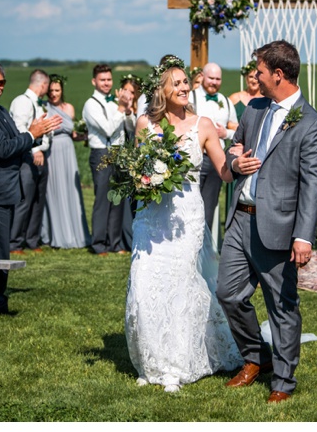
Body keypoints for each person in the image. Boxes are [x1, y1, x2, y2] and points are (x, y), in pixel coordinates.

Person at [216, 40, 317, 404]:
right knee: (228, 294)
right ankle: (256, 357)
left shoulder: (311, 124)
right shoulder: (254, 108)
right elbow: (235, 147)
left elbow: (313, 186)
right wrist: (235, 163)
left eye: (260, 72)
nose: (255, 77)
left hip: (278, 227)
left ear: (278, 75)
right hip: (239, 221)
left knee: (282, 307)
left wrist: (304, 237)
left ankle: (283, 380)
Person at [126, 57, 242, 392]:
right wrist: (142, 179)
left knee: (179, 285)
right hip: (151, 216)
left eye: (184, 83)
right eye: (175, 83)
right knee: (145, 283)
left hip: (186, 216)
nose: (182, 87)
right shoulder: (145, 122)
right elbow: (137, 168)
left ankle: (176, 365)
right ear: (162, 89)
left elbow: (222, 169)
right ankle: (151, 362)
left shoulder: (203, 124)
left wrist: (239, 163)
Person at [0, 60, 61, 317]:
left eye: (1, 83)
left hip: (2, 191)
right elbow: (3, 148)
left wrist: (35, 134)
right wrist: (31, 134)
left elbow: (13, 143)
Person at [82, 63, 135, 255]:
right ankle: (99, 244)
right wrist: (121, 109)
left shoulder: (114, 102)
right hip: (101, 153)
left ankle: (115, 243)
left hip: (119, 152)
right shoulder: (90, 105)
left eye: (109, 79)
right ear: (94, 81)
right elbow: (107, 128)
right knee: (103, 199)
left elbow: (130, 128)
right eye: (102, 80)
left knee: (118, 199)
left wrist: (128, 111)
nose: (106, 83)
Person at [40, 74, 92, 249]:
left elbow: (73, 134)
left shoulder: (68, 108)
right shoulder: (43, 108)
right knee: (54, 191)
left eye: (57, 90)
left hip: (68, 151)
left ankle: (75, 233)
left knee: (71, 190)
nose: (54, 93)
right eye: (51, 90)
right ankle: (56, 235)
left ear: (62, 91)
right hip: (52, 151)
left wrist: (84, 135)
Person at [191, 61, 239, 237]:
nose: (214, 82)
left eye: (218, 79)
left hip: (216, 161)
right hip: (195, 158)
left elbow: (238, 131)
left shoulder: (226, 102)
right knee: (190, 205)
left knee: (209, 207)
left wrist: (224, 132)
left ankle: (205, 249)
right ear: (203, 77)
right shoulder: (190, 97)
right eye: (211, 78)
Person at [9, 69, 52, 255]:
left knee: (37, 200)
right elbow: (20, 128)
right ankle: (14, 242)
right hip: (28, 156)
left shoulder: (39, 103)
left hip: (43, 155)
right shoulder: (22, 102)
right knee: (24, 200)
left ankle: (32, 240)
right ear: (42, 84)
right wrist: (34, 149)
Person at [119, 74, 143, 253]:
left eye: (132, 91)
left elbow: (133, 129)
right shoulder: (118, 108)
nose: (128, 94)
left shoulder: (139, 109)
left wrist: (129, 112)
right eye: (125, 90)